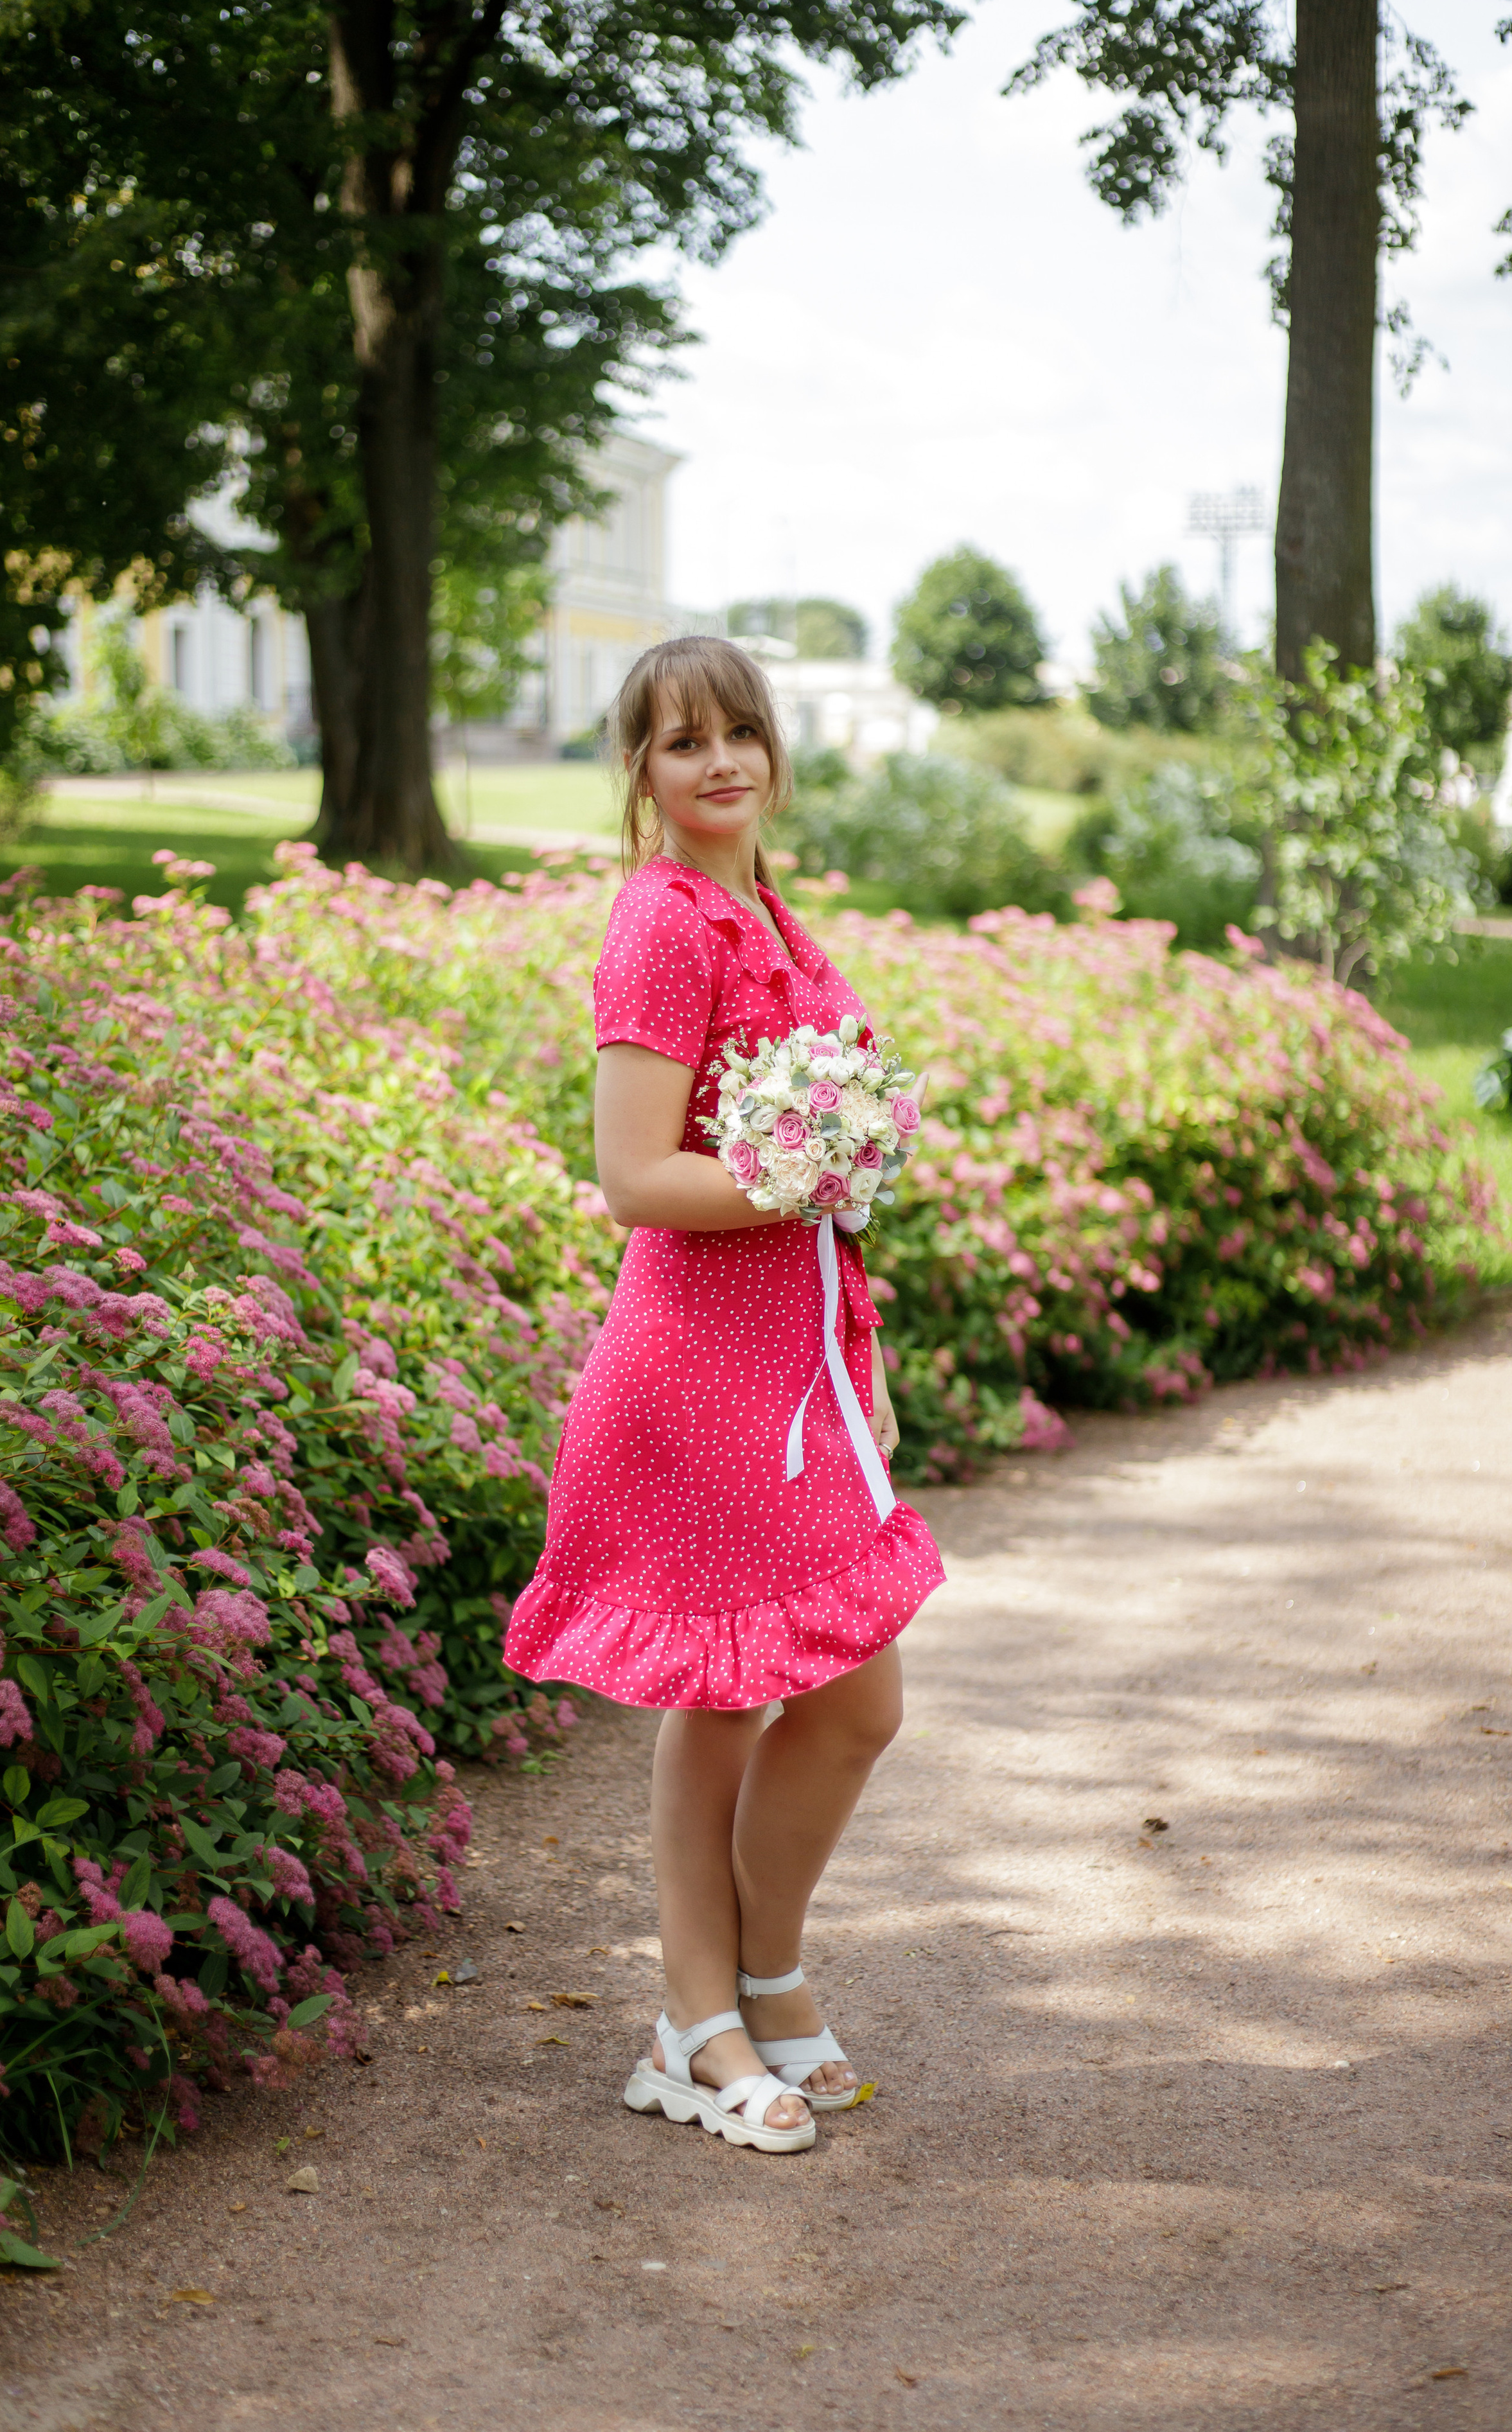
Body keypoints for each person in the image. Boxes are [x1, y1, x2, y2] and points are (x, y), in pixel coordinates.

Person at [504, 637, 945, 2154]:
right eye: (680, 740)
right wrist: (800, 1172)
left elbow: (816, 1200)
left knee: (844, 1699)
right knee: (731, 1691)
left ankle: (755, 1981)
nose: (718, 761)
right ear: (638, 768)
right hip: (695, 1365)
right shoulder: (663, 922)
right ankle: (699, 2018)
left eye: (739, 731)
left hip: (796, 1365)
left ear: (772, 748)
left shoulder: (769, 916)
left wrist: (858, 1364)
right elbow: (635, 1175)